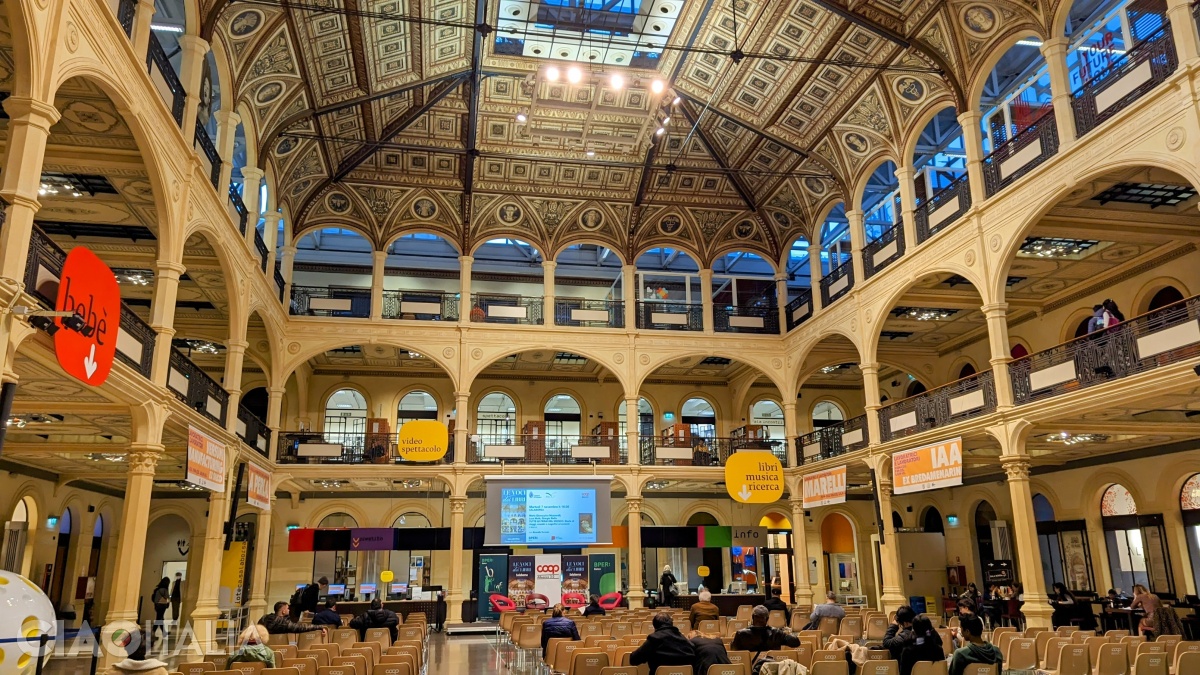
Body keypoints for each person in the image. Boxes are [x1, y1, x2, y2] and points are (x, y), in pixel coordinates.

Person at [629, 613, 696, 674]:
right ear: (671, 623)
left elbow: (633, 659)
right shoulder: (685, 640)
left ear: (654, 626)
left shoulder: (654, 639)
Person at [732, 605, 801, 654]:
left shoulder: (740, 634)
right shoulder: (776, 633)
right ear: (767, 619)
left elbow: (734, 651)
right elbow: (796, 642)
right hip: (771, 669)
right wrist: (787, 632)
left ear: (753, 618)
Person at [258, 601, 324, 635]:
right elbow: (300, 628)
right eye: (287, 608)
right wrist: (320, 627)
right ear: (283, 611)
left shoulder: (264, 618)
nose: (289, 610)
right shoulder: (283, 622)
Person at [150, 577, 170, 645]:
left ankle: (163, 632)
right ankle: (153, 632)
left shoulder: (157, 589)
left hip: (157, 605)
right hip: (162, 605)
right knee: (159, 619)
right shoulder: (164, 590)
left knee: (160, 618)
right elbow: (167, 596)